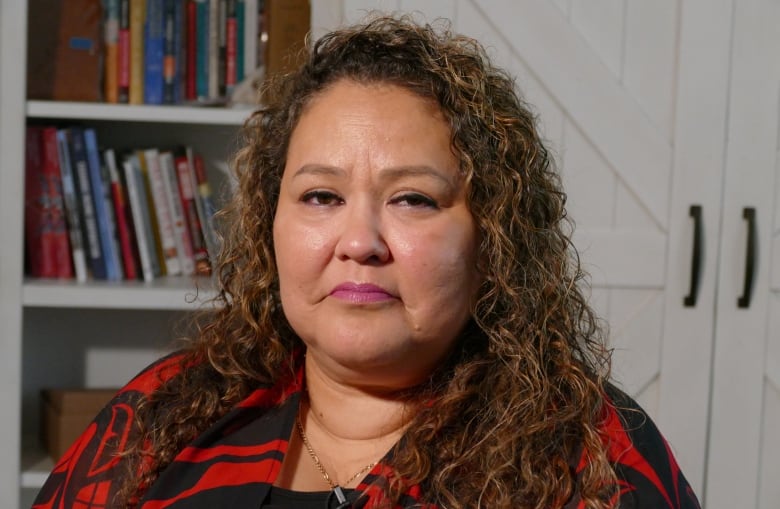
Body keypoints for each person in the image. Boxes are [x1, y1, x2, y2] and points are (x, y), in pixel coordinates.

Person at [33, 15, 701, 509]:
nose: (360, 240)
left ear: (493, 239)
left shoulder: (595, 456)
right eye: (321, 195)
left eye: (413, 199)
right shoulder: (159, 418)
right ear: (271, 224)